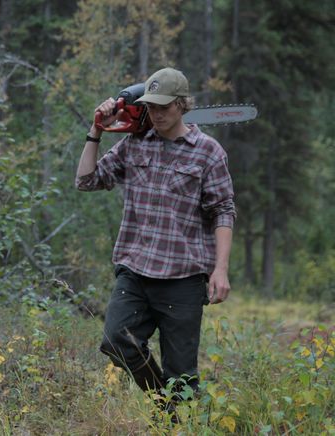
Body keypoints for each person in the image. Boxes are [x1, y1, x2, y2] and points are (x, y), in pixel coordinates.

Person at [75, 67, 235, 414]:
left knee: (182, 377)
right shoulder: (134, 145)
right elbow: (87, 181)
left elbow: (223, 210)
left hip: (184, 278)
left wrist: (220, 270)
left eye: (164, 107)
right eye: (151, 107)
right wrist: (96, 130)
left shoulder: (208, 152)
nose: (157, 114)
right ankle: (164, 405)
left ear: (181, 105)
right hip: (135, 270)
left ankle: (177, 418)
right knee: (117, 341)